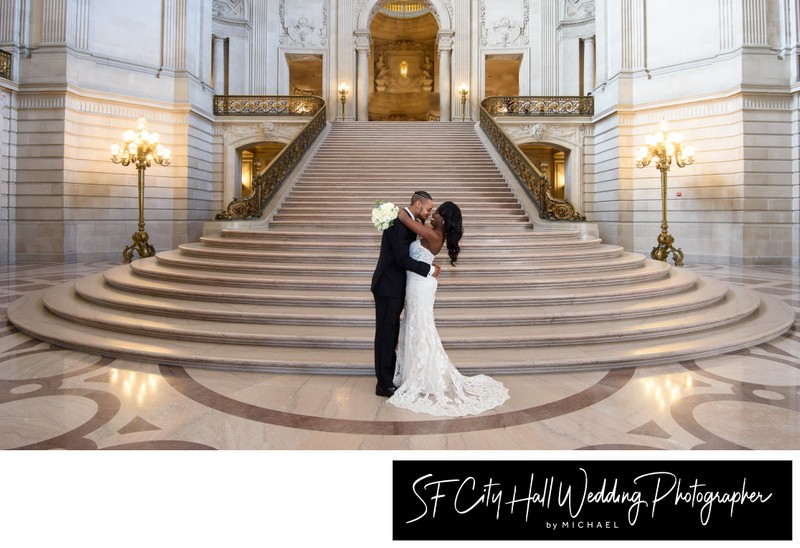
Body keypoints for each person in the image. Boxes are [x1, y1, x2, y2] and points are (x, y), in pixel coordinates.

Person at [387, 201, 509, 416]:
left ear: (444, 219)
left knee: (421, 326)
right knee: (415, 324)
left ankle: (424, 377)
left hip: (420, 286)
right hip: (417, 283)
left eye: (437, 213)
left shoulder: (433, 235)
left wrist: (389, 208)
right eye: (432, 211)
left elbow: (404, 218)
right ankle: (414, 373)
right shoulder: (431, 232)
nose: (433, 214)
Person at [371, 191, 441, 397]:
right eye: (428, 208)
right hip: (387, 286)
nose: (429, 213)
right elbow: (401, 259)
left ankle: (389, 377)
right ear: (418, 204)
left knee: (390, 334)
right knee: (385, 336)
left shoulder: (408, 222)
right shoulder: (396, 222)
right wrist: (428, 270)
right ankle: (383, 385)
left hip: (396, 286)